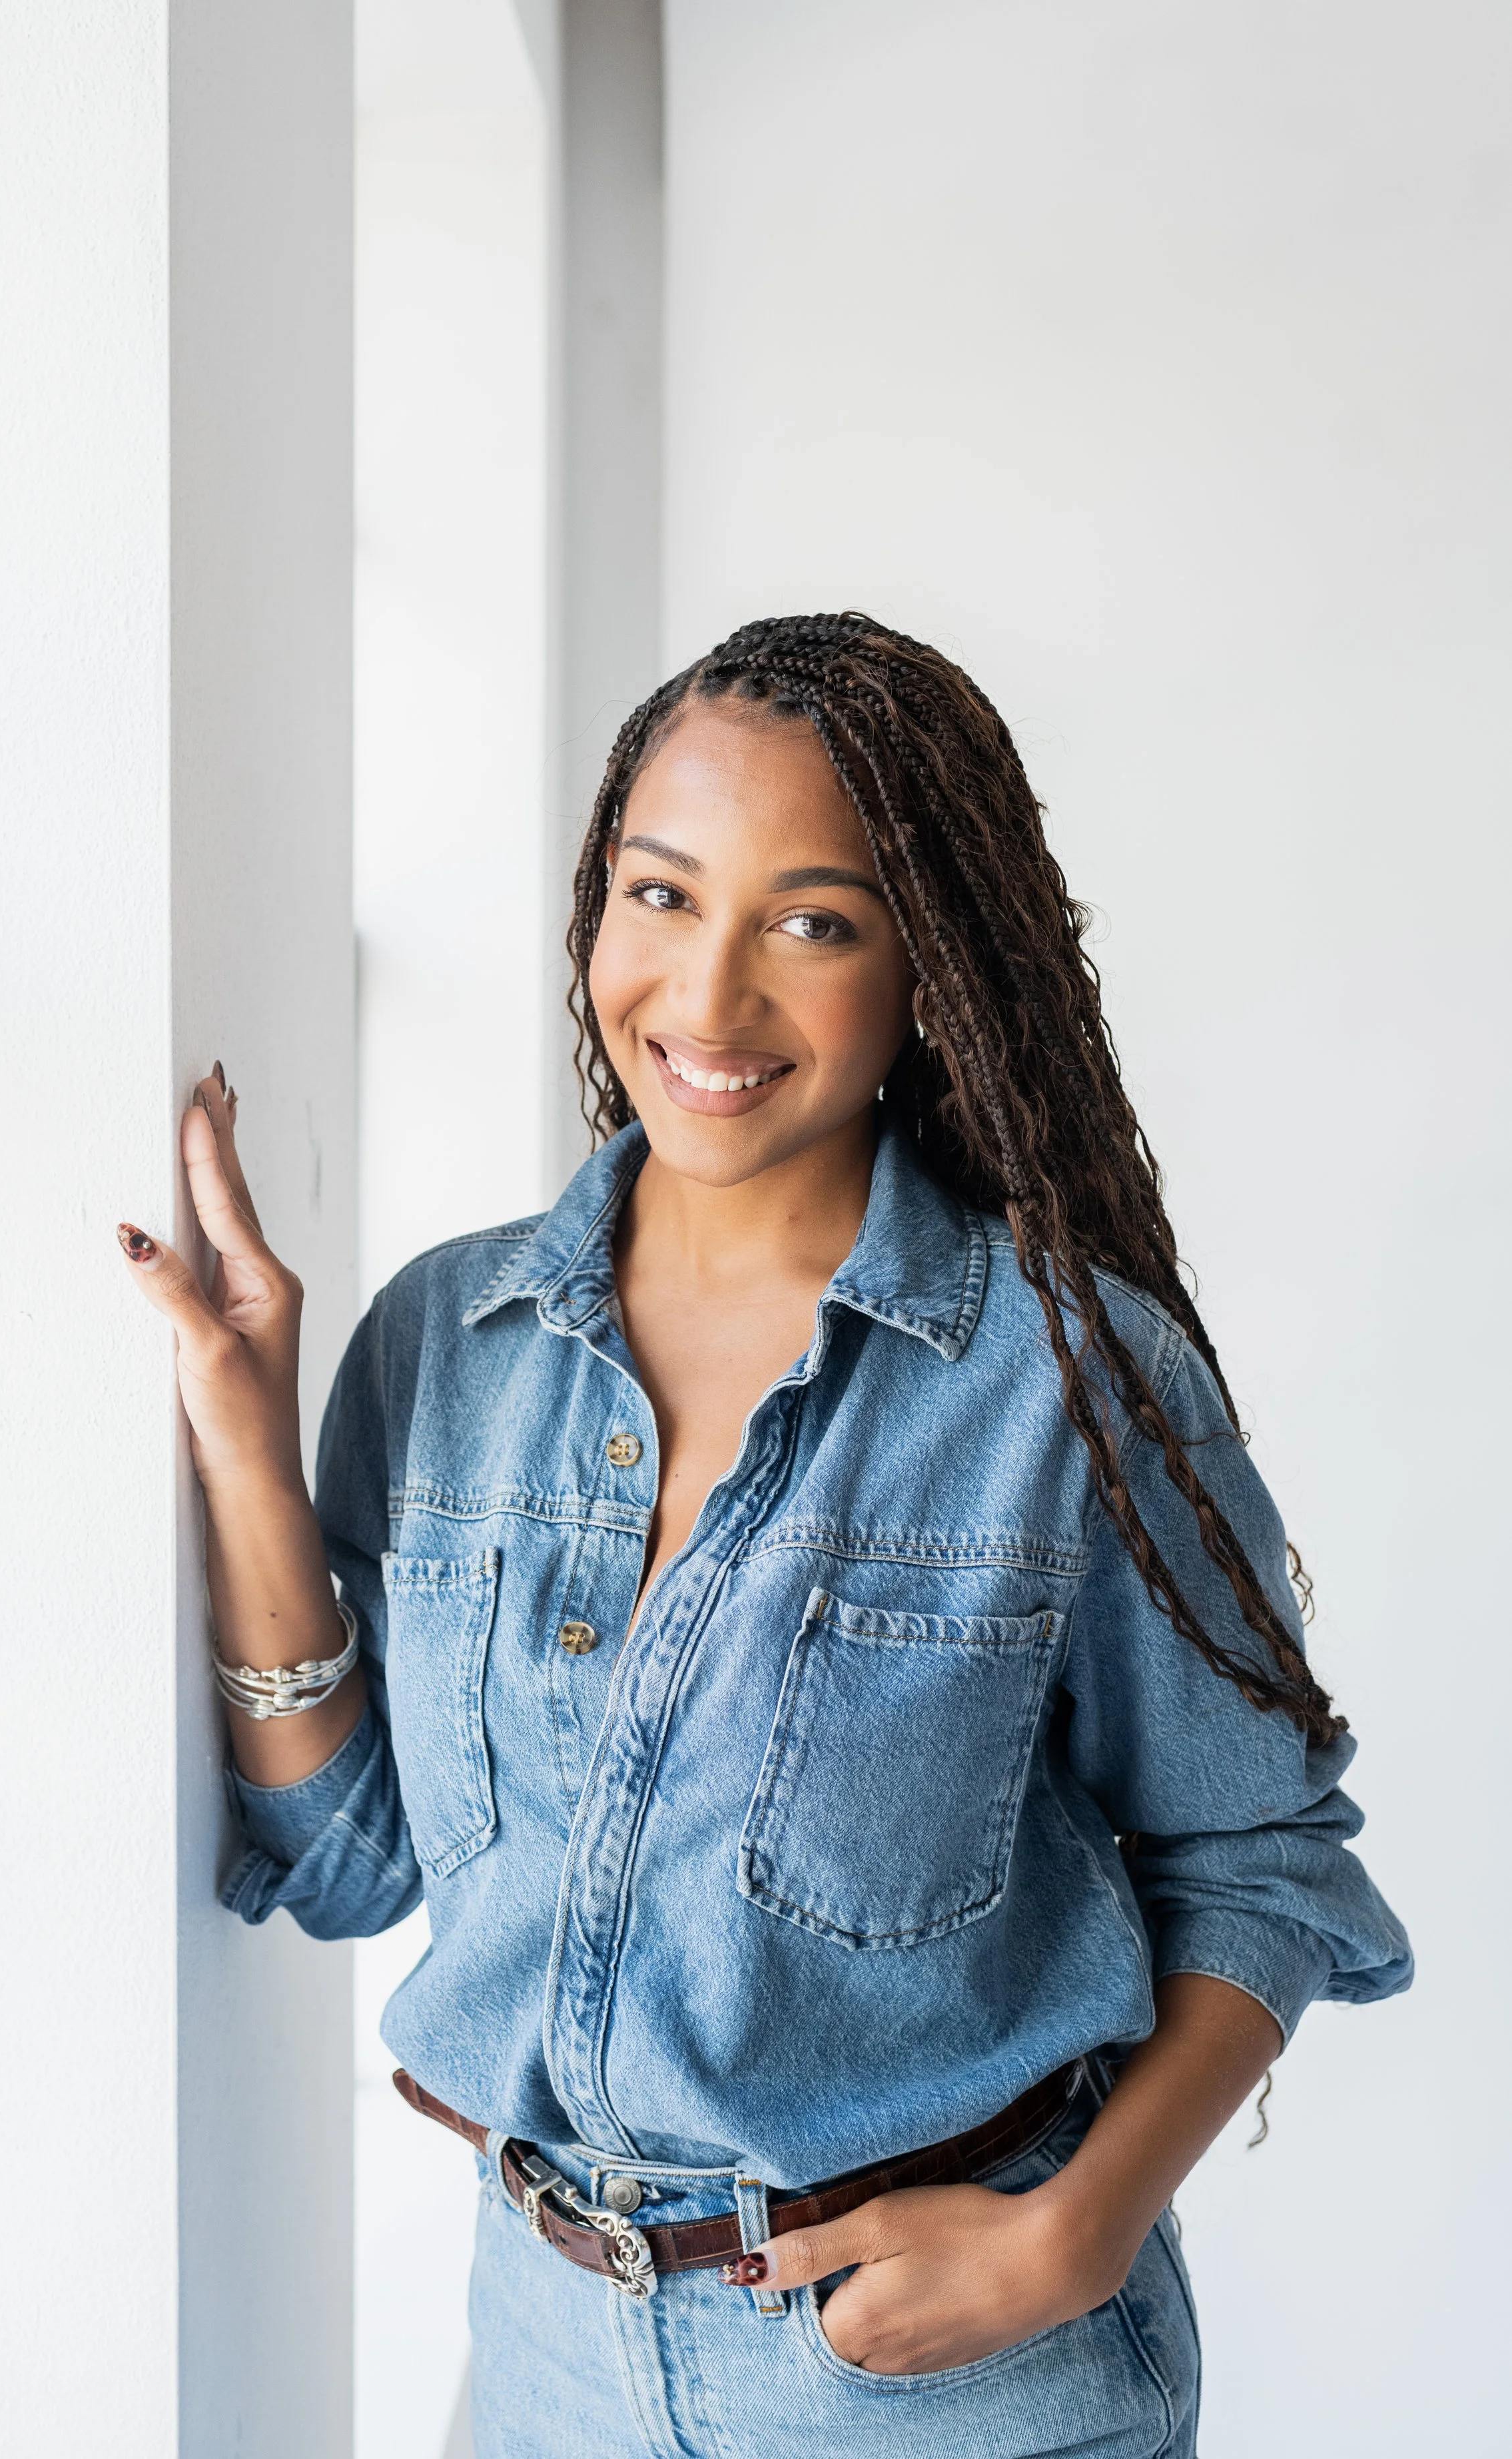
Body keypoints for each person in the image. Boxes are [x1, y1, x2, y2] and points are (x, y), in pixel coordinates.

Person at [119, 613, 1409, 2457]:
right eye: (660, 894)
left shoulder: (1060, 1378)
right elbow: (347, 1864)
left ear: (924, 971)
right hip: (548, 2352)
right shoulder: (445, 1348)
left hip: (941, 2386)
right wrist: (247, 1441)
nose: (707, 1000)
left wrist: (1073, 2230)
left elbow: (1261, 1858)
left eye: (814, 921)